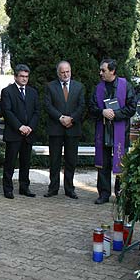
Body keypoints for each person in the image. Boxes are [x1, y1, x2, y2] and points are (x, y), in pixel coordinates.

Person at [89, 59, 138, 205]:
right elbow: (91, 107)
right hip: (103, 131)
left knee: (121, 164)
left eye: (103, 70)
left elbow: (132, 107)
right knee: (102, 164)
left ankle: (120, 193)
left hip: (120, 133)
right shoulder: (98, 88)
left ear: (112, 71)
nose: (100, 73)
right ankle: (103, 194)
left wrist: (115, 114)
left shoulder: (126, 86)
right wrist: (102, 112)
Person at [42, 61, 85, 199]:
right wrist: (60, 118)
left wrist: (71, 119)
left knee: (71, 160)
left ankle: (69, 188)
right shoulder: (50, 86)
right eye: (63, 72)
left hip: (73, 129)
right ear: (58, 73)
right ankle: (53, 188)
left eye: (68, 71)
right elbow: (48, 105)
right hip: (56, 128)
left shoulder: (79, 87)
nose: (66, 74)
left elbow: (82, 106)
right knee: (54, 160)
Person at [0, 64, 41, 199]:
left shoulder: (33, 92)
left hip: (28, 133)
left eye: (26, 76)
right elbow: (7, 112)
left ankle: (24, 187)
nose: (24, 79)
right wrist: (20, 127)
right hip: (14, 133)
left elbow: (36, 111)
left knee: (25, 162)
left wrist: (30, 127)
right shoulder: (7, 91)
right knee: (10, 162)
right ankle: (8, 188)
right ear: (15, 76)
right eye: (22, 76)